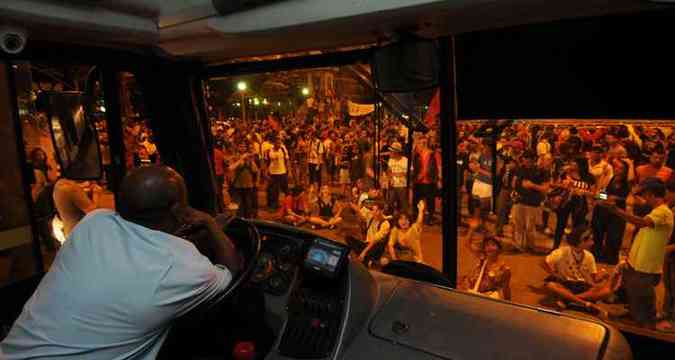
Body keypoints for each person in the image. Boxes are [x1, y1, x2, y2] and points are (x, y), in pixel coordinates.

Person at [0, 166, 240, 359]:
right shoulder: (182, 267)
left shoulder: (92, 223)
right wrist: (209, 223)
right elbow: (232, 269)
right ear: (179, 210)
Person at [600, 177, 674, 332]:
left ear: (651, 194)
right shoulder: (656, 210)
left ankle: (647, 330)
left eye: (645, 195)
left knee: (644, 301)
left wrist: (616, 211)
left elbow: (641, 222)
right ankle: (637, 320)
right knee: (634, 295)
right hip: (638, 262)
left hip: (646, 266)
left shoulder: (663, 212)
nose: (644, 198)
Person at [543, 226, 617, 318]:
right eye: (590, 240)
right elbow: (543, 262)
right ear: (580, 241)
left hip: (582, 285)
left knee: (606, 291)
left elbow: (592, 281)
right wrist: (554, 274)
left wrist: (605, 276)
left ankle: (567, 300)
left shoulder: (589, 256)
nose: (592, 243)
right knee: (551, 285)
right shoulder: (561, 252)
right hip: (566, 283)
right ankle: (586, 303)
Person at [591, 159, 631, 264]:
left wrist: (600, 196)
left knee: (613, 237)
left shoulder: (626, 184)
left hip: (617, 213)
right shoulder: (612, 179)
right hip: (604, 210)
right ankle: (598, 256)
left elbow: (618, 197)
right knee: (599, 233)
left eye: (621, 168)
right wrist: (598, 195)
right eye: (617, 167)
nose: (618, 170)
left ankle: (611, 259)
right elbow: (606, 194)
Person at [512, 150, 550, 252]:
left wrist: (532, 185)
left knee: (530, 226)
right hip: (519, 200)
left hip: (533, 202)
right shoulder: (520, 169)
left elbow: (546, 188)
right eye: (524, 158)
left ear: (533, 160)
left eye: (528, 159)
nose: (526, 161)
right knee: (518, 224)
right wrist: (515, 189)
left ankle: (531, 246)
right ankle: (518, 245)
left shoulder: (541, 171)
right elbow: (514, 183)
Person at [460, 234, 512, 300]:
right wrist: (472, 229)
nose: (490, 248)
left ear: (499, 249)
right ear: (484, 249)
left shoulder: (504, 269)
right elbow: (467, 243)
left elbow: (506, 289)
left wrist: (508, 306)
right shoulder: (482, 260)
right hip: (474, 295)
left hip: (489, 300)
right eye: (487, 245)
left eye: (493, 245)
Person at [347, 200, 391, 267]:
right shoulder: (371, 217)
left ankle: (366, 259)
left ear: (381, 211)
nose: (374, 212)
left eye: (376, 210)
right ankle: (369, 261)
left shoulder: (385, 224)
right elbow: (361, 214)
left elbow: (374, 240)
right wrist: (355, 208)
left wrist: (363, 252)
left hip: (376, 247)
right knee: (348, 238)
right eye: (373, 210)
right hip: (366, 244)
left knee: (369, 249)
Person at [229, 142, 258, 219]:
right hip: (237, 185)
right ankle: (240, 221)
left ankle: (248, 221)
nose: (243, 148)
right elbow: (231, 168)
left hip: (248, 185)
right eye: (241, 146)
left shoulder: (249, 158)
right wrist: (241, 159)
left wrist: (251, 161)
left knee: (248, 206)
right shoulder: (234, 157)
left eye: (244, 147)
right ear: (238, 148)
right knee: (239, 206)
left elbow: (255, 170)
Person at [266, 136, 290, 210]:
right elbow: (268, 160)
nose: (279, 144)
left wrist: (289, 171)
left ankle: (288, 205)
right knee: (274, 191)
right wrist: (266, 171)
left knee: (286, 190)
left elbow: (287, 160)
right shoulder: (270, 150)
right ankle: (274, 205)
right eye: (277, 143)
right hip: (273, 173)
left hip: (282, 172)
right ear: (274, 143)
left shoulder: (283, 149)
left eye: (280, 143)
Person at [387, 142, 409, 213]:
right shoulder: (390, 160)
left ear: (396, 152)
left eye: (391, 151)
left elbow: (408, 173)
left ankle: (404, 218)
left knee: (403, 204)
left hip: (402, 185)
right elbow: (389, 171)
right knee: (390, 203)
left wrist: (397, 174)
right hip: (392, 185)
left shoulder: (405, 160)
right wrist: (390, 179)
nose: (390, 153)